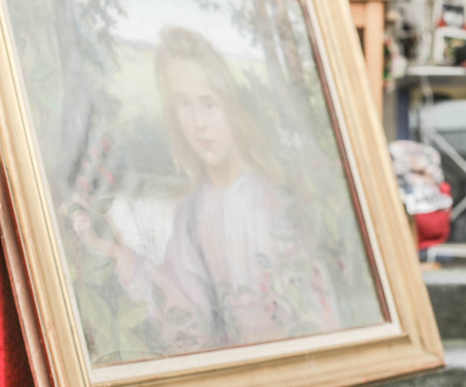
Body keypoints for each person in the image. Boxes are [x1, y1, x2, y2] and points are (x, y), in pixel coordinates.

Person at [69, 26, 343, 357]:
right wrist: (121, 256)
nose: (198, 123)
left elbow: (318, 312)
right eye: (184, 104)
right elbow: (187, 315)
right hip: (232, 382)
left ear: (232, 107)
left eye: (208, 104)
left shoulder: (277, 198)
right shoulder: (191, 212)